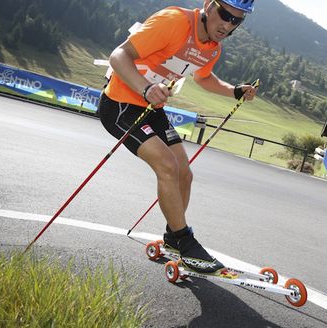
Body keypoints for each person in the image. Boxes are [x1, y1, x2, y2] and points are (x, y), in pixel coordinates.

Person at [97, 0, 257, 274]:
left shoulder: (212, 49)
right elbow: (119, 55)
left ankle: (173, 236)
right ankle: (186, 241)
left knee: (185, 173)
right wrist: (146, 88)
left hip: (152, 109)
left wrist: (234, 91)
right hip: (121, 102)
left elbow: (203, 78)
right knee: (167, 166)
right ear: (209, 5)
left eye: (237, 21)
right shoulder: (174, 22)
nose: (228, 25)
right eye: (225, 15)